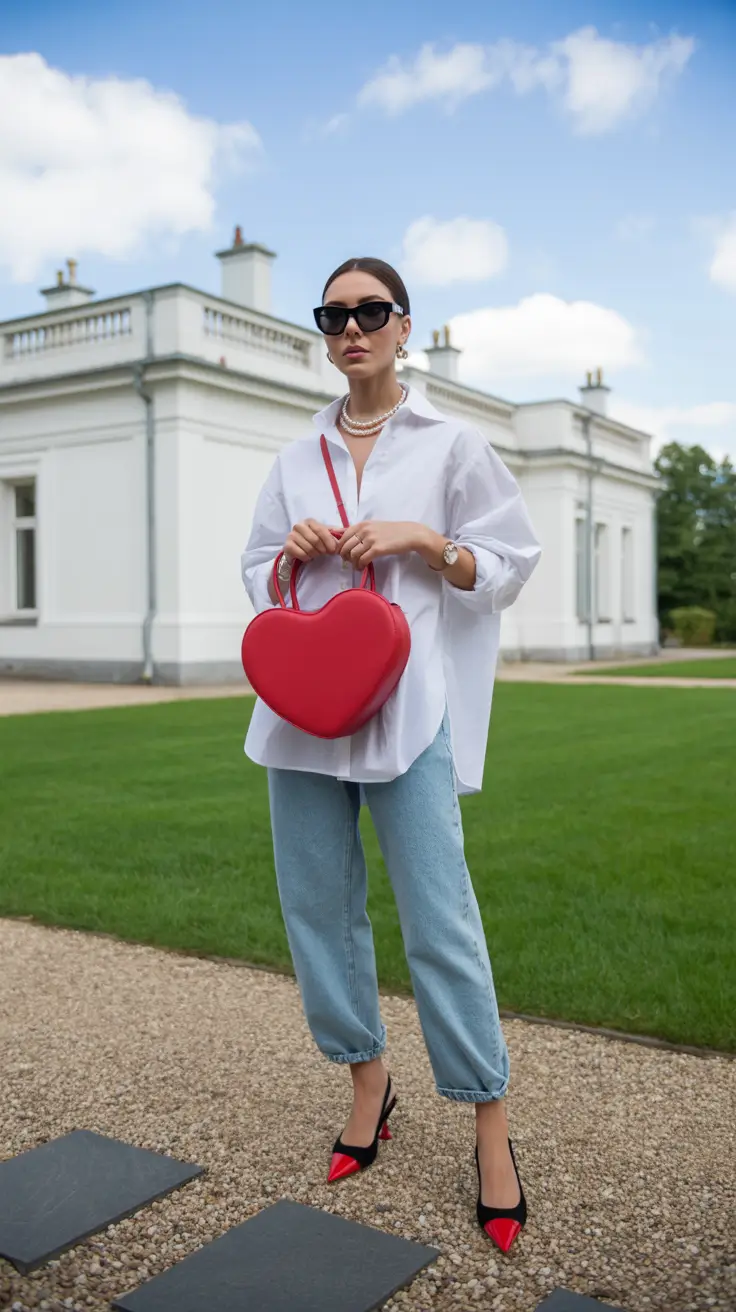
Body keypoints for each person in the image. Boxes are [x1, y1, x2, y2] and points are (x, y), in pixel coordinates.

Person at [241, 257, 541, 1253]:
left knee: (439, 914)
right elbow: (257, 571)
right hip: (300, 716)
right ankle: (368, 1079)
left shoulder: (452, 445)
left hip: (408, 709)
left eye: (370, 311)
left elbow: (506, 565)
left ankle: (487, 1119)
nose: (351, 328)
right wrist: (290, 554)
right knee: (317, 908)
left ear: (406, 325)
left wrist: (424, 540)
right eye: (333, 314)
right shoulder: (295, 456)